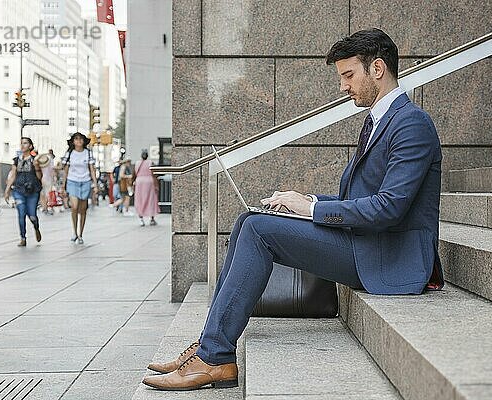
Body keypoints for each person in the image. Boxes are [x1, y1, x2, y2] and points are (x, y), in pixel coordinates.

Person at [142, 28, 444, 391]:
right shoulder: (378, 121)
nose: (343, 86)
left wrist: (313, 211)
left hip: (388, 258)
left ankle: (215, 357)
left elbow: (388, 208)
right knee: (249, 221)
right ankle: (210, 345)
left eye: (349, 75)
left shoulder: (412, 123)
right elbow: (359, 199)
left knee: (258, 230)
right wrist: (308, 202)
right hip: (366, 244)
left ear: (377, 68)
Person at [4, 138, 43, 246]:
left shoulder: (35, 159)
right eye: (21, 143)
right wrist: (7, 190)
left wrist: (36, 167)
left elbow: (39, 177)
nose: (22, 145)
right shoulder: (16, 160)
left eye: (25, 143)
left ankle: (36, 227)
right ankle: (23, 237)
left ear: (30, 146)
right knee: (21, 213)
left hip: (33, 190)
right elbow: (13, 175)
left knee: (32, 215)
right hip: (18, 190)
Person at [62, 132, 98, 244]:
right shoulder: (70, 153)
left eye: (81, 139)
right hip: (72, 181)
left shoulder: (88, 153)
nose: (79, 141)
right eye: (76, 139)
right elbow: (66, 170)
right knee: (74, 206)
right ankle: (74, 232)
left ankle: (80, 234)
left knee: (83, 209)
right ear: (73, 141)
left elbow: (92, 169)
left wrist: (95, 184)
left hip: (85, 181)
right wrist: (63, 186)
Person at [134, 150, 160, 226]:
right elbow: (153, 174)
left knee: (140, 200)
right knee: (151, 199)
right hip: (149, 182)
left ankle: (141, 218)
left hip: (139, 182)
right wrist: (156, 185)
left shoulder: (137, 163)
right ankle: (152, 218)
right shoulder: (150, 163)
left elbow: (135, 174)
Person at [38, 150, 55, 214]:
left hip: (41, 179)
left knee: (42, 194)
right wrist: (54, 179)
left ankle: (44, 207)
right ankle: (47, 207)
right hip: (48, 179)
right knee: (47, 194)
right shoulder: (50, 160)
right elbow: (52, 171)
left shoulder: (40, 162)